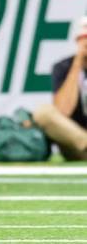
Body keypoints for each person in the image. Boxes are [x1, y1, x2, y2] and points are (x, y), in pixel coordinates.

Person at [34, 16, 87, 161]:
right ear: (77, 40)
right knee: (43, 112)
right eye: (84, 38)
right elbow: (63, 110)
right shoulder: (63, 67)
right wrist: (77, 64)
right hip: (77, 145)